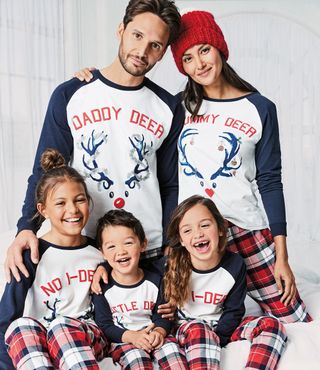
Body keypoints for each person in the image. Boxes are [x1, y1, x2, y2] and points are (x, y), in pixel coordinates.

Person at [5, 0, 183, 282]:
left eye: (155, 45)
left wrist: (172, 246)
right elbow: (47, 169)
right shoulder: (72, 94)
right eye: (137, 36)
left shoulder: (168, 107)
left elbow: (170, 183)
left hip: (146, 249)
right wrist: (26, 227)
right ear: (121, 30)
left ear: (162, 53)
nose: (142, 51)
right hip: (82, 243)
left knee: (153, 327)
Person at [169, 9, 311, 323]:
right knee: (189, 324)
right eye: (188, 58)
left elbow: (270, 180)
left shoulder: (259, 108)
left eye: (204, 50)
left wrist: (282, 256)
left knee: (294, 318)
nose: (199, 64)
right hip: (194, 233)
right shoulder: (178, 107)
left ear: (220, 48)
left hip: (244, 226)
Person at [0, 149, 108, 370]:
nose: (72, 210)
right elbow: (6, 320)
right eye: (60, 203)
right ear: (43, 210)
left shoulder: (100, 251)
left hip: (88, 336)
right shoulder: (31, 255)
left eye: (80, 200)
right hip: (44, 340)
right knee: (19, 328)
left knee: (62, 327)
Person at [163, 195, 287, 370]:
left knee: (272, 325)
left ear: (221, 229)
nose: (198, 234)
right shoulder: (171, 264)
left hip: (221, 327)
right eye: (187, 230)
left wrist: (217, 339)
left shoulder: (234, 264)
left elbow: (234, 310)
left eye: (205, 225)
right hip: (188, 328)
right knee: (200, 329)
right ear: (181, 240)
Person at [92, 209, 187, 369]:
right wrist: (132, 337)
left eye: (128, 243)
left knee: (174, 357)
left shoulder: (156, 280)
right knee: (138, 362)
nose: (121, 251)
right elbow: (105, 325)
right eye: (111, 247)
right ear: (102, 253)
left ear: (143, 244)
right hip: (125, 341)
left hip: (155, 335)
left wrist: (159, 332)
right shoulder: (102, 286)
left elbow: (163, 315)